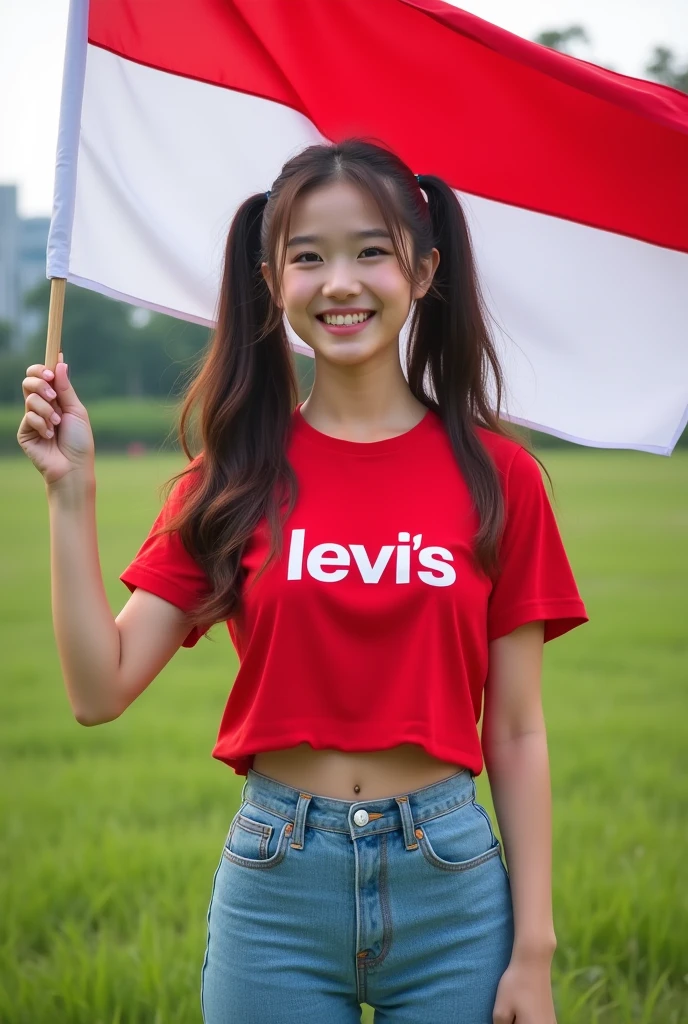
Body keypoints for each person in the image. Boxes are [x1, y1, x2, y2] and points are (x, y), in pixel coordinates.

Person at [18, 138, 588, 1024]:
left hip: (452, 885)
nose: (340, 283)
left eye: (371, 251)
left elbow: (514, 731)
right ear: (271, 279)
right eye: (307, 257)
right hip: (277, 887)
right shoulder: (234, 477)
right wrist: (71, 492)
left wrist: (535, 950)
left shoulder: (499, 478)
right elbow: (99, 689)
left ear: (425, 269)